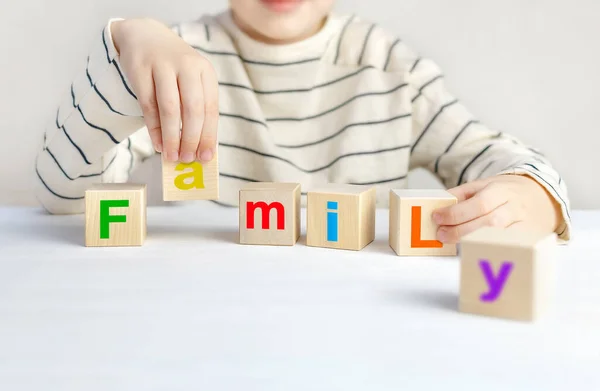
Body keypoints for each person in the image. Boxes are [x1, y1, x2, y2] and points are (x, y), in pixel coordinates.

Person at [35, 0, 571, 243]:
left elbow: (503, 158)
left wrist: (532, 196)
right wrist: (126, 40)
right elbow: (62, 197)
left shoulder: (390, 68)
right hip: (207, 322)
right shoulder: (176, 57)